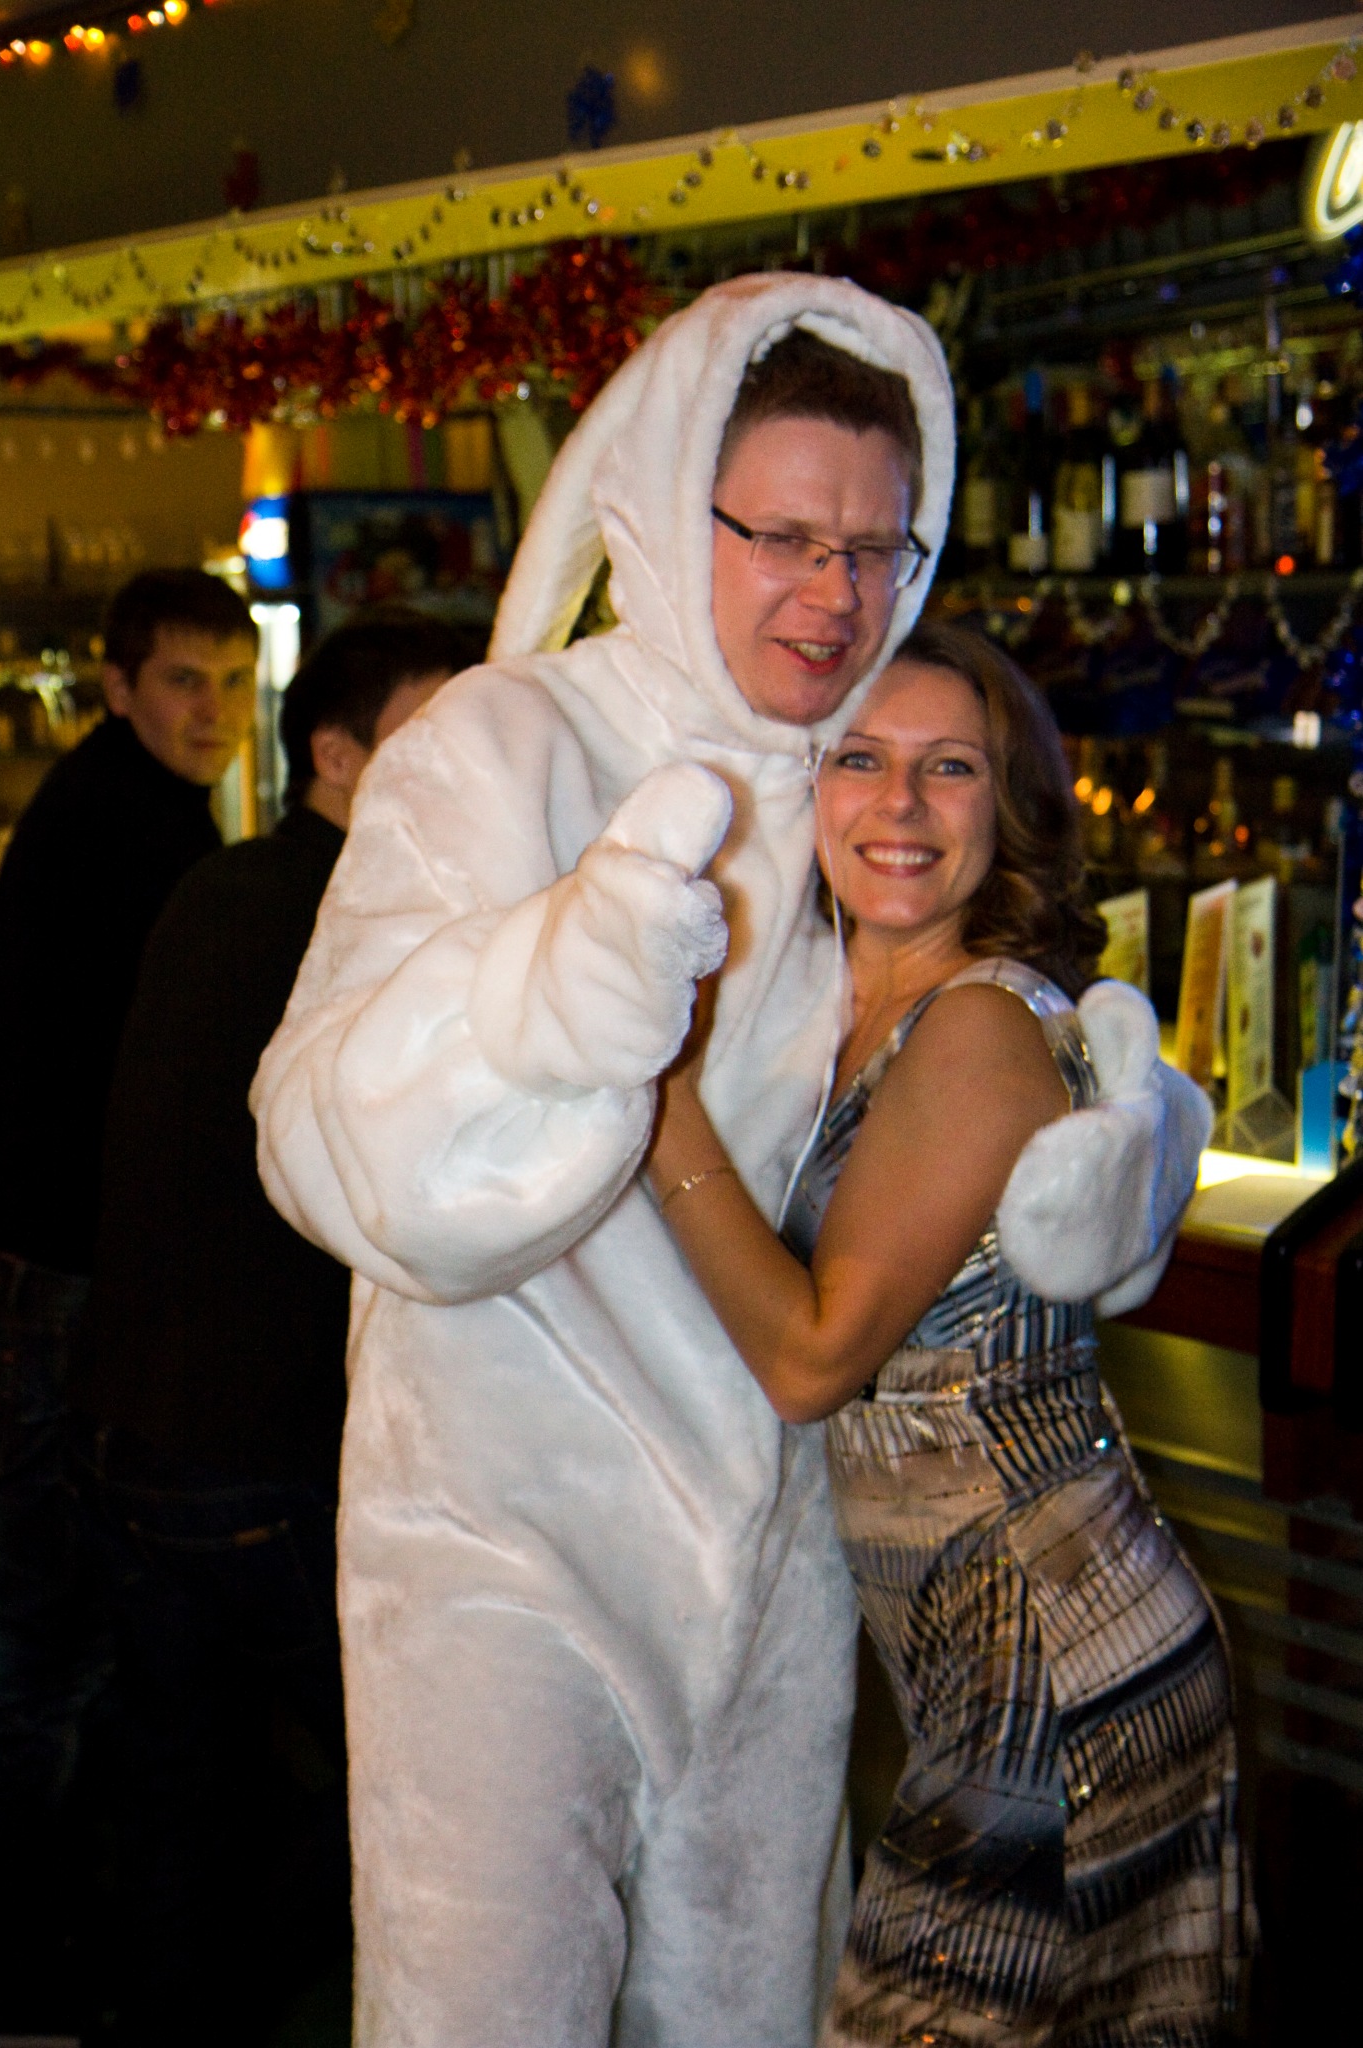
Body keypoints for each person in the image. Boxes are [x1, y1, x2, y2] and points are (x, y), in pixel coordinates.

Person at [251, 276, 1207, 2048]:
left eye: (872, 545)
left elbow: (967, 1031)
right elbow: (317, 1142)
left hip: (783, 1571)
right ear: (662, 498)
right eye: (780, 535)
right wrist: (553, 1004)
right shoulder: (502, 748)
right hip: (505, 1552)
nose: (831, 591)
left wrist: (1120, 1136)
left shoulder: (849, 780)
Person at [649, 620, 1237, 2045]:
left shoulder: (976, 1024)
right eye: (861, 759)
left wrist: (653, 1098)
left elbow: (812, 1358)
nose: (900, 804)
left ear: (1009, 806)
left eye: (951, 768)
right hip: (996, 1644)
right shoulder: (841, 1007)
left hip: (1052, 1650)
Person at [69, 609, 479, 2046]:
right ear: (339, 756)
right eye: (438, 736)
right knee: (424, 1775)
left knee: (182, 1788)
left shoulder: (233, 880)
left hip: (130, 1423)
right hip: (252, 1442)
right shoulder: (354, 920)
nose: (477, 766)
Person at [0, 567, 258, 2031]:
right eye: (181, 681)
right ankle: (28, 1953)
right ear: (116, 688)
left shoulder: (128, 811)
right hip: (61, 1265)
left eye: (232, 683)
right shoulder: (141, 836)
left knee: (57, 1607)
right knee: (46, 1618)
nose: (212, 712)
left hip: (51, 1253)